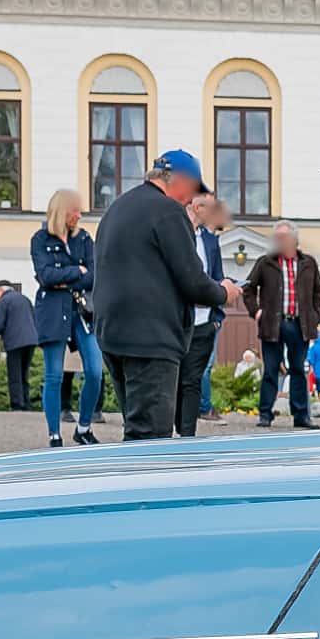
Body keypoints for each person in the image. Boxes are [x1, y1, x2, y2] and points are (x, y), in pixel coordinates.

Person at [91, 148, 226, 441]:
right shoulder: (168, 212)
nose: (191, 198)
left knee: (136, 429)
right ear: (178, 179)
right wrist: (223, 292)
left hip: (114, 335)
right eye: (192, 189)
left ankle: (130, 484)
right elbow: (192, 280)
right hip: (151, 339)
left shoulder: (118, 208)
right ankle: (141, 487)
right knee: (150, 439)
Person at [29, 192, 103, 445]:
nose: (80, 215)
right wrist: (75, 271)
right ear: (62, 211)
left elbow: (93, 275)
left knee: (94, 371)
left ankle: (83, 427)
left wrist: (63, 276)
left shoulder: (83, 238)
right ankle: (54, 434)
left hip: (82, 310)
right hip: (52, 310)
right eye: (75, 210)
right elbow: (45, 275)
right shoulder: (40, 240)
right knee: (54, 375)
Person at [242, 223, 320, 430]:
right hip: (273, 324)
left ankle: (301, 416)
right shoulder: (266, 263)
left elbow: (319, 293)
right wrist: (256, 311)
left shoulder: (308, 263)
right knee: (271, 370)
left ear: (294, 240)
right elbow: (248, 288)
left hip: (299, 324)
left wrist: (314, 317)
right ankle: (265, 414)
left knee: (298, 369)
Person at [178, 192, 229, 436]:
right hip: (178, 320)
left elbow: (217, 275)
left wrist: (217, 317)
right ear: (197, 208)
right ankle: (167, 432)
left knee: (193, 380)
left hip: (205, 321)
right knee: (175, 379)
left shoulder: (210, 239)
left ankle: (187, 436)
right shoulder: (177, 235)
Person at [0, 278, 39, 411]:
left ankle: (17, 404)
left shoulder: (4, 301)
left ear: (0, 290)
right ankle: (26, 403)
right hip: (31, 340)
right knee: (24, 373)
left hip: (14, 341)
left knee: (14, 373)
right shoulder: (25, 299)